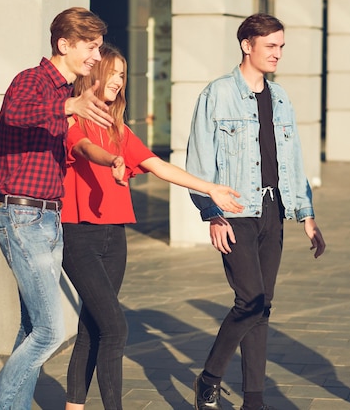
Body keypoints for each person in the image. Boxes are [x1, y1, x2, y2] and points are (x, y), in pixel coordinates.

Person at [61, 43, 245, 410]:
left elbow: (158, 166)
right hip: (78, 234)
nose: (117, 81)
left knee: (92, 328)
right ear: (92, 76)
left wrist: (209, 188)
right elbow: (83, 149)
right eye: (111, 73)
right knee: (115, 328)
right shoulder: (70, 121)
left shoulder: (120, 130)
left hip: (115, 237)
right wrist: (112, 159)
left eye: (122, 75)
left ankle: (73, 407)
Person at [185, 13, 326, 410]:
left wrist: (306, 215)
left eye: (281, 46)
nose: (278, 54)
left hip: (273, 209)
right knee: (250, 300)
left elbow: (293, 160)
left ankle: (255, 401)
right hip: (234, 210)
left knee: (262, 306)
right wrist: (212, 213)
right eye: (271, 46)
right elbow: (198, 162)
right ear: (247, 45)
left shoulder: (280, 98)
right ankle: (210, 377)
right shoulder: (217, 94)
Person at [0, 7, 112, 409]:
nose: (95, 56)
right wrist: (68, 109)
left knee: (32, 327)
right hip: (24, 217)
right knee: (52, 332)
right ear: (64, 44)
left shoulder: (65, 93)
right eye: (90, 47)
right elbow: (15, 115)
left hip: (47, 218)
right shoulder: (32, 80)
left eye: (98, 48)